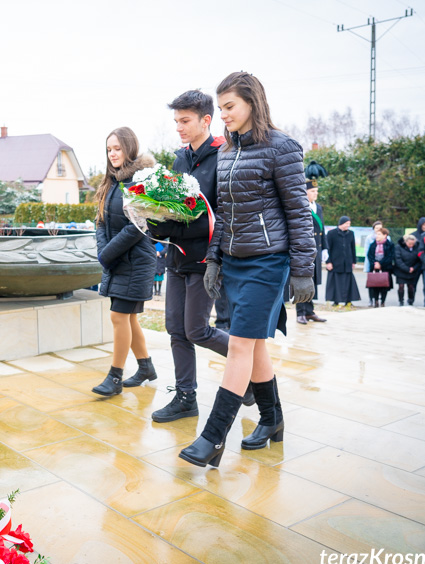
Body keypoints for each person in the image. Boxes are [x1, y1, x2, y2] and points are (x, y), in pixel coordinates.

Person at [179, 72, 316, 467]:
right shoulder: (226, 152)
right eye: (220, 109)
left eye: (229, 107)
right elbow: (223, 213)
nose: (223, 116)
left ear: (252, 103)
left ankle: (213, 438)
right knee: (253, 346)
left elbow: (298, 212)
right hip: (235, 262)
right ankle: (272, 420)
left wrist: (303, 269)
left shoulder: (282, 147)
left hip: (269, 262)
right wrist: (215, 260)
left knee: (239, 345)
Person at [146, 89, 241, 422]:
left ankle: (253, 373)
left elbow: (221, 216)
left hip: (206, 260)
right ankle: (186, 398)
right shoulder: (180, 159)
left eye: (185, 121)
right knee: (175, 329)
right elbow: (175, 208)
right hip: (177, 259)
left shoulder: (225, 156)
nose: (179, 128)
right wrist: (155, 221)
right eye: (176, 121)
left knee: (197, 330)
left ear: (206, 120)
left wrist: (180, 223)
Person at [91, 127, 157, 397]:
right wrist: (103, 250)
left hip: (136, 262)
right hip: (117, 260)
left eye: (117, 148)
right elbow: (100, 222)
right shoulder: (111, 182)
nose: (113, 154)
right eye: (109, 149)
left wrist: (107, 254)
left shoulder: (141, 182)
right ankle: (146, 368)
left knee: (119, 316)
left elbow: (138, 226)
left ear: (129, 148)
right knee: (128, 318)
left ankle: (115, 377)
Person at [296, 180, 327, 324]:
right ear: (305, 192)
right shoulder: (300, 206)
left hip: (316, 249)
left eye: (316, 191)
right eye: (313, 191)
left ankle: (309, 312)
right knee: (303, 280)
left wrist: (325, 248)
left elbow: (322, 230)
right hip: (304, 250)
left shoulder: (318, 208)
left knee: (312, 282)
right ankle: (300, 312)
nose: (316, 193)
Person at [325, 216, 361, 307]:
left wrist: (354, 261)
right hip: (335, 262)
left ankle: (348, 301)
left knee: (348, 283)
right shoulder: (331, 233)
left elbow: (353, 248)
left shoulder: (351, 233)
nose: (348, 226)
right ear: (341, 223)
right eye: (346, 224)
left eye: (349, 224)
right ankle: (335, 301)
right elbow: (327, 249)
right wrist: (328, 262)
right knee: (335, 282)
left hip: (347, 262)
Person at [366, 227, 394, 307]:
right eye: (376, 234)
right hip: (374, 268)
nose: (377, 236)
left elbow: (390, 256)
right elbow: (369, 255)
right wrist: (375, 263)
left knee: (384, 286)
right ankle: (375, 301)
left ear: (385, 235)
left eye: (379, 234)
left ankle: (383, 301)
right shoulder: (373, 244)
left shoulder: (390, 245)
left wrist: (381, 264)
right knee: (374, 285)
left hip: (385, 268)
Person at [393, 234, 420, 306]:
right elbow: (398, 260)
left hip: (412, 270)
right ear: (405, 242)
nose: (411, 245)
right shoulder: (398, 247)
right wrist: (407, 269)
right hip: (401, 270)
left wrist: (414, 268)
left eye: (413, 244)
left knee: (411, 286)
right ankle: (401, 301)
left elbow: (419, 260)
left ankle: (411, 300)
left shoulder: (417, 247)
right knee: (401, 286)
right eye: (409, 243)